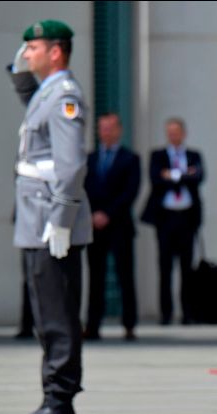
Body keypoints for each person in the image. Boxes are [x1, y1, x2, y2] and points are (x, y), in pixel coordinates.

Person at [6, 20, 92, 414]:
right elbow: (24, 88)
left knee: (57, 314)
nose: (27, 52)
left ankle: (60, 400)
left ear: (56, 51)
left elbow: (71, 164)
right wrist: (20, 62)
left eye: (34, 46)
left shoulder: (64, 96)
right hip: (37, 218)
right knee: (45, 312)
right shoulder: (45, 92)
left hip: (50, 222)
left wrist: (61, 218)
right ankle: (54, 397)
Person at [140, 118, 204, 325]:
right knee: (165, 268)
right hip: (165, 218)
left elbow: (198, 177)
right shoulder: (158, 155)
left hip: (186, 217)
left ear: (183, 133)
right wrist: (184, 174)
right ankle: (165, 313)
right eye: (170, 132)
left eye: (177, 132)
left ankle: (187, 313)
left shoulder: (194, 155)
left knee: (186, 268)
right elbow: (156, 179)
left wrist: (173, 175)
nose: (173, 135)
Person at [83, 113, 140, 341]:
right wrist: (93, 215)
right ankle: (93, 325)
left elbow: (130, 192)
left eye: (110, 128)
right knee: (95, 278)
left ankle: (129, 324)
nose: (106, 133)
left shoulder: (130, 159)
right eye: (102, 128)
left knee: (125, 276)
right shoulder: (89, 159)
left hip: (119, 226)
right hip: (94, 227)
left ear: (118, 130)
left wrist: (108, 213)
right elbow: (83, 189)